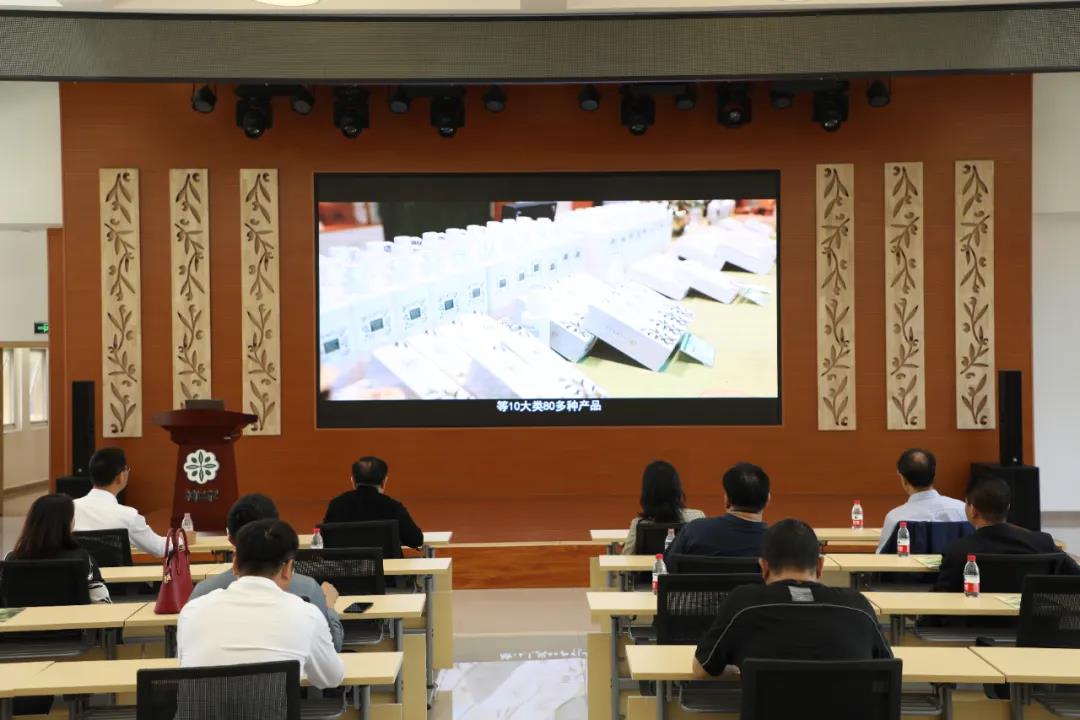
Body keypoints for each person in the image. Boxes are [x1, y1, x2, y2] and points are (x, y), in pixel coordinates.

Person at [693, 519, 891, 678]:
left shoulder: (743, 603)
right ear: (820, 566)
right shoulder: (857, 606)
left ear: (764, 567)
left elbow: (702, 669)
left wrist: (734, 669)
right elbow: (887, 669)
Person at [178, 519, 345, 689]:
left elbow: (184, 666)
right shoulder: (306, 615)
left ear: (234, 564)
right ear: (287, 569)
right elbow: (331, 679)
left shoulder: (192, 611)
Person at [188, 494, 344, 651]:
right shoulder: (308, 590)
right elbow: (332, 646)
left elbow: (185, 653)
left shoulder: (201, 594)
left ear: (230, 539)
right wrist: (329, 606)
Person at [934, 477, 1079, 591]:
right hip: (1032, 620)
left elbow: (943, 598)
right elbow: (1075, 574)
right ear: (1008, 508)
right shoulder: (1043, 542)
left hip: (973, 621)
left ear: (972, 510)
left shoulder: (958, 550)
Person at [2, 493, 110, 603]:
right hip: (71, 615)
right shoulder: (82, 558)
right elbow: (101, 602)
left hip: (24, 615)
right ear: (67, 523)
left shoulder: (11, 559)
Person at [664, 462, 769, 561]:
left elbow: (666, 565)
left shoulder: (694, 531)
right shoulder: (776, 543)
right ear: (767, 500)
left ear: (727, 500)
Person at [74, 448, 166, 557]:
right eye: (127, 469)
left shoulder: (68, 509)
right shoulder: (128, 516)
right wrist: (181, 538)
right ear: (120, 477)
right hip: (114, 569)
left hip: (78, 569)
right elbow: (160, 548)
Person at [876, 449, 967, 553]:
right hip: (956, 564)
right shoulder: (963, 510)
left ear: (903, 479)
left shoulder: (896, 518)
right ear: (934, 475)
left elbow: (883, 556)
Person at [323, 456, 424, 549]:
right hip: (385, 563)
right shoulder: (393, 506)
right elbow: (416, 540)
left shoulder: (336, 505)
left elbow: (324, 538)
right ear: (384, 482)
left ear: (353, 481)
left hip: (346, 563)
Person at [622, 461, 705, 554]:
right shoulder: (697, 518)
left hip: (652, 564)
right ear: (677, 489)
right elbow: (704, 553)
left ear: (647, 494)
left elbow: (627, 558)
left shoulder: (638, 524)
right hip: (683, 564)